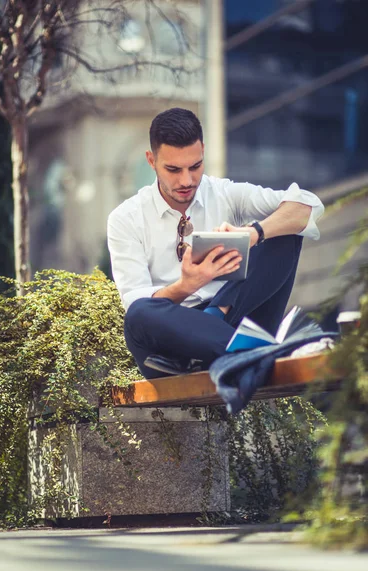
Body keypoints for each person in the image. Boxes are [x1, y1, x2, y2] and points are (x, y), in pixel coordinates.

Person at [107, 107, 324, 379]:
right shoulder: (125, 218)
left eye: (195, 166)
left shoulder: (224, 193)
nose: (186, 180)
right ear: (151, 161)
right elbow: (135, 301)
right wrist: (187, 285)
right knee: (139, 314)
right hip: (171, 344)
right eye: (173, 169)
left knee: (286, 233)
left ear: (203, 152)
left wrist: (254, 232)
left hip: (235, 321)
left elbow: (307, 205)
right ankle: (259, 350)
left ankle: (225, 332)